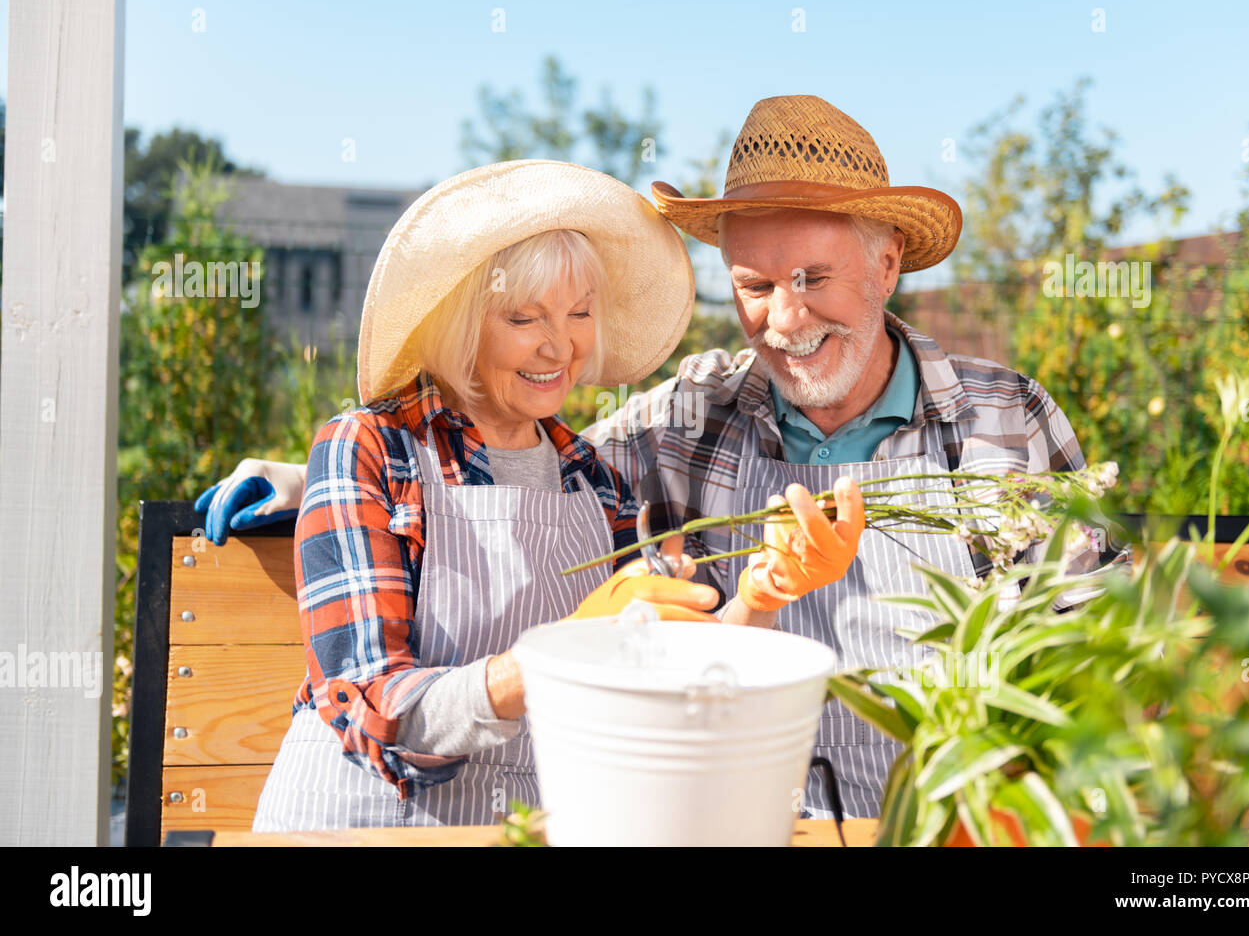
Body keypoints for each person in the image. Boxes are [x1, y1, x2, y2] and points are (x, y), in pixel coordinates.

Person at [203, 97, 1128, 821]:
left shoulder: (1005, 419)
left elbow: (1099, 653)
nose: (787, 318)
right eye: (757, 286)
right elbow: (481, 460)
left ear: (888, 266)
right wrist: (307, 482)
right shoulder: (690, 421)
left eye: (814, 279)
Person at [242, 160, 858, 831]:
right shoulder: (372, 448)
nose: (558, 344)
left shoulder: (596, 480)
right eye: (522, 317)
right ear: (461, 322)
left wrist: (760, 598)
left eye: (580, 312)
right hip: (358, 826)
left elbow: (666, 690)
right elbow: (373, 709)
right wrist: (563, 649)